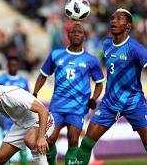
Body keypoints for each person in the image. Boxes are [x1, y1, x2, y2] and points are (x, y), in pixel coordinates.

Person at [76, 8, 147, 165]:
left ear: (128, 26)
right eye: (112, 18)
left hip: (134, 103)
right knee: (86, 144)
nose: (113, 21)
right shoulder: (106, 44)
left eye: (119, 19)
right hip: (110, 103)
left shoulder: (135, 48)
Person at [33, 23, 105, 165]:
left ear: (84, 36)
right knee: (49, 139)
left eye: (80, 32)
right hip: (57, 106)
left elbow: (100, 83)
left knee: (73, 139)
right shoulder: (56, 55)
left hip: (78, 107)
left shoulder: (91, 60)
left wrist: (94, 98)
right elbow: (43, 75)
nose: (77, 34)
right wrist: (34, 93)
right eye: (73, 32)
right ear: (68, 35)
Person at [0, 75, 54, 165]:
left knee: (31, 140)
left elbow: (43, 111)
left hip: (40, 118)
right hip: (21, 124)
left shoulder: (11, 95)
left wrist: (41, 138)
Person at [0, 57, 30, 165]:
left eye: (15, 65)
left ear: (18, 66)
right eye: (11, 65)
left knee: (23, 147)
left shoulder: (23, 80)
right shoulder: (1, 79)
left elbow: (29, 99)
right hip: (6, 118)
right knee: (6, 148)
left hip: (21, 119)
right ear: (7, 66)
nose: (13, 67)